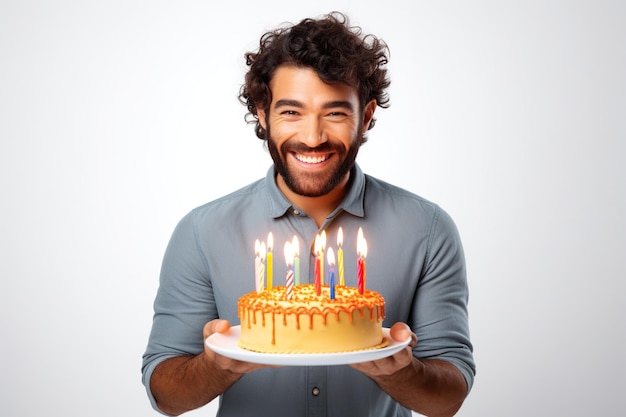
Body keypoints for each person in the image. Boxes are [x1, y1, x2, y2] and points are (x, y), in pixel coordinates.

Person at [142, 11, 475, 417]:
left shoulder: (427, 229)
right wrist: (215, 367)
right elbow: (165, 393)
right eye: (291, 112)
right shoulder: (202, 231)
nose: (313, 137)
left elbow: (449, 396)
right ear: (263, 115)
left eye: (334, 113)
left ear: (365, 116)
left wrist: (399, 372)